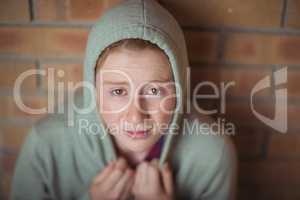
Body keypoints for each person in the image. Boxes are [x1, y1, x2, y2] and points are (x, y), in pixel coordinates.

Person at [11, 0, 237, 199]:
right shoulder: (46, 144)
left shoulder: (212, 154)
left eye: (154, 91)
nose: (136, 116)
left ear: (179, 88)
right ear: (94, 90)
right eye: (118, 92)